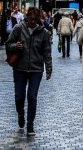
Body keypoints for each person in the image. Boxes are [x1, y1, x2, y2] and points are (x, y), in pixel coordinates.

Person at [6, 7, 52, 137]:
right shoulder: (19, 29)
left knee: (32, 96)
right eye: (30, 19)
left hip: (36, 69)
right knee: (19, 96)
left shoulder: (44, 33)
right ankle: (21, 114)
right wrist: (16, 46)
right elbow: (8, 44)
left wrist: (49, 69)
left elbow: (47, 52)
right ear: (26, 18)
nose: (32, 21)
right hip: (20, 68)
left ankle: (30, 124)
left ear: (38, 19)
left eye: (34, 19)